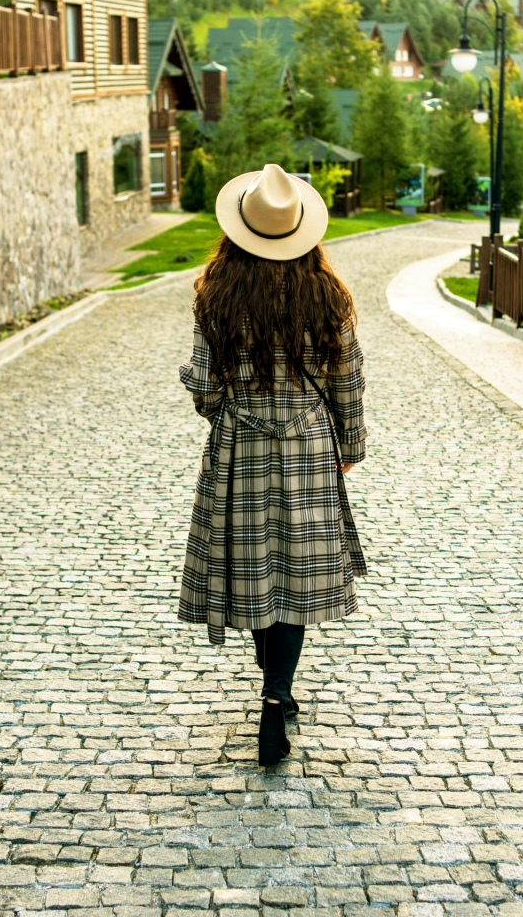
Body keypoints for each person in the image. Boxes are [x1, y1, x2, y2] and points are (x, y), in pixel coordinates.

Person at [178, 163, 367, 766]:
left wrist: (223, 412)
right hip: (310, 447)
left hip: (242, 447)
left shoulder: (215, 292)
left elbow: (204, 383)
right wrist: (348, 446)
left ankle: (268, 682)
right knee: (297, 575)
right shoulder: (328, 294)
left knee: (258, 567)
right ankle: (277, 693)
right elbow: (348, 379)